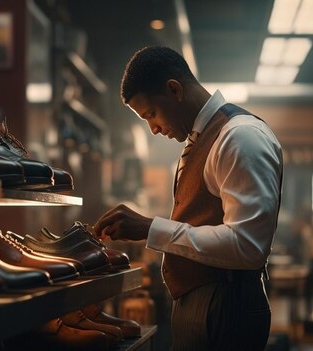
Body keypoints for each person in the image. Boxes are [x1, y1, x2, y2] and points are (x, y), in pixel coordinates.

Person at [93, 46, 283, 351]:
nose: (153, 129)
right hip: (207, 304)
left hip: (226, 306)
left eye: (151, 114)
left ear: (174, 89)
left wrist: (151, 229)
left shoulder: (240, 137)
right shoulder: (201, 138)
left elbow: (248, 246)